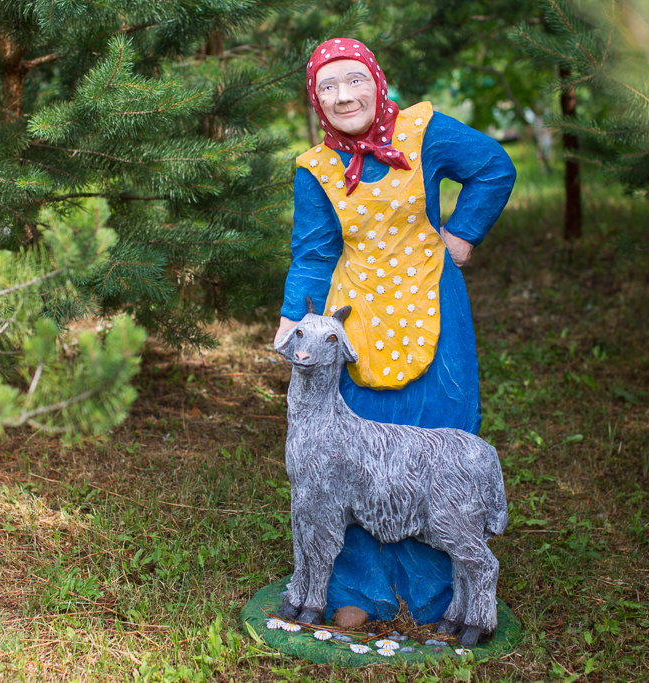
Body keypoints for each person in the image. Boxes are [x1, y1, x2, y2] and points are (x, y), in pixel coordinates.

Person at [274, 38, 516, 626]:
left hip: (435, 311)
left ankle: (438, 589)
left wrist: (462, 234)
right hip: (356, 322)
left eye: (353, 80)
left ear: (376, 80)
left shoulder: (423, 131)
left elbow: (493, 167)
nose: (342, 96)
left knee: (439, 435)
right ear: (315, 99)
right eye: (327, 87)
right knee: (351, 456)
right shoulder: (316, 166)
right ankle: (358, 589)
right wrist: (292, 321)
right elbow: (313, 251)